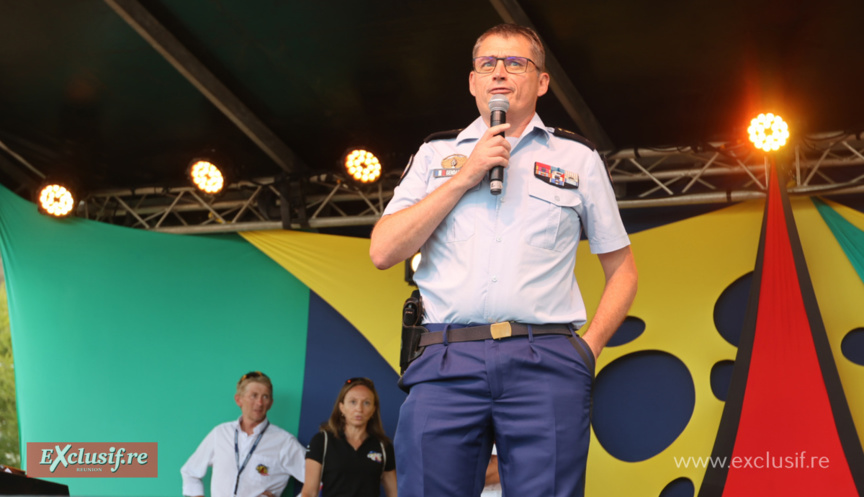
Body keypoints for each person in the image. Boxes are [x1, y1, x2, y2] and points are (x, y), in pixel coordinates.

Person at [369, 23, 638, 497]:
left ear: (542, 82)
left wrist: (585, 352)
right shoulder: (435, 154)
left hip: (546, 361)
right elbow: (384, 251)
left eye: (516, 63)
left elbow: (623, 272)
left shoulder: (577, 157)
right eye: (487, 64)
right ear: (472, 82)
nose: (499, 73)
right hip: (445, 359)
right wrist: (465, 174)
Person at [181, 371, 306, 497]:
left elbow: (317, 481)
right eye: (254, 396)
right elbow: (190, 472)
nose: (259, 403)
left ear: (271, 403)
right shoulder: (220, 433)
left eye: (265, 397)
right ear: (238, 400)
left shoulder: (284, 442)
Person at [301, 377, 397, 497]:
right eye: (353, 402)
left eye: (366, 403)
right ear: (341, 407)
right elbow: (309, 493)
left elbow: (395, 494)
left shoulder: (384, 447)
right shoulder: (322, 441)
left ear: (373, 409)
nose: (359, 409)